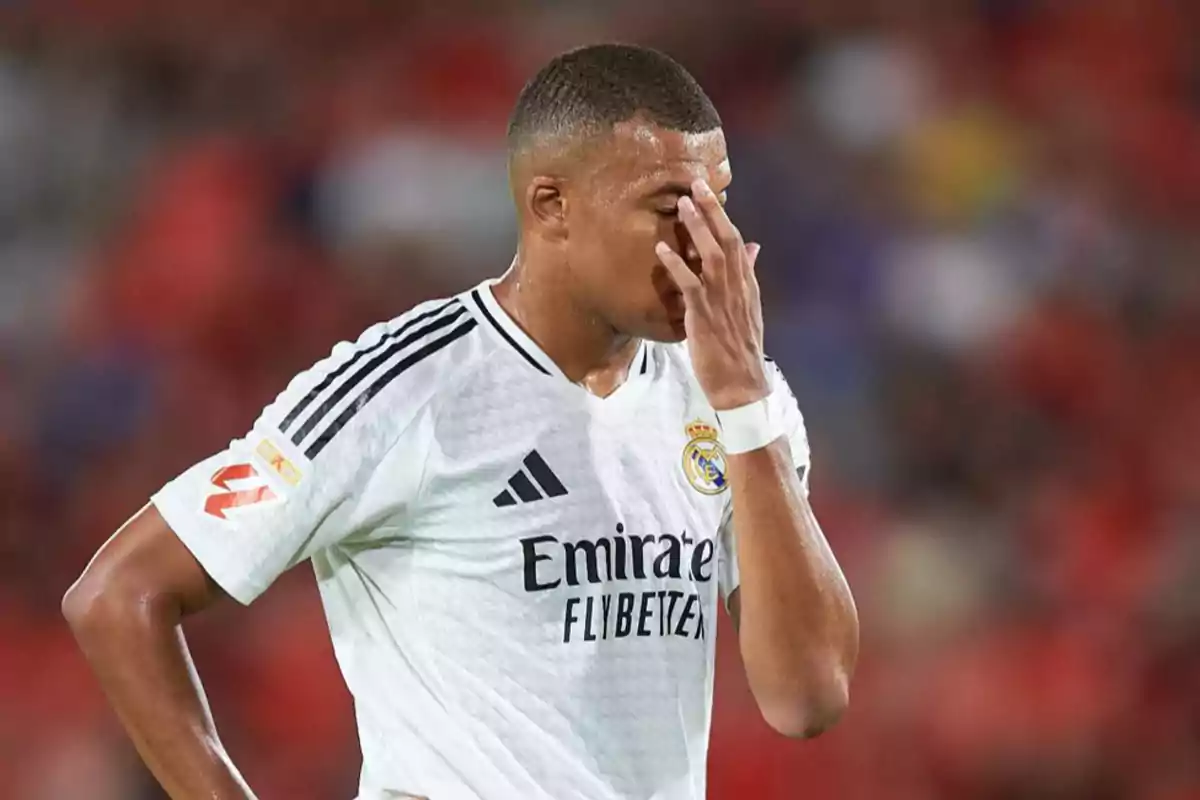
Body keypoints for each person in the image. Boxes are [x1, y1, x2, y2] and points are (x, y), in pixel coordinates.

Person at [63, 43, 859, 800]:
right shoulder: (405, 388)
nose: (708, 244)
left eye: (716, 202)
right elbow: (119, 594)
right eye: (669, 208)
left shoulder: (736, 401)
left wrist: (747, 408)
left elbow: (808, 697)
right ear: (552, 206)